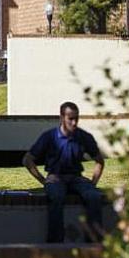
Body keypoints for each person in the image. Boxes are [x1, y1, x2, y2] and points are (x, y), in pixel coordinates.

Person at [22, 101, 105, 243]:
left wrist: (92, 183)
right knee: (56, 197)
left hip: (76, 178)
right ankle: (55, 243)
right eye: (70, 119)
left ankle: (94, 242)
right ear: (61, 118)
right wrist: (43, 181)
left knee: (94, 196)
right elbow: (28, 160)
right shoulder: (49, 137)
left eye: (76, 119)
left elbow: (99, 161)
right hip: (55, 177)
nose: (74, 123)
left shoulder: (84, 137)